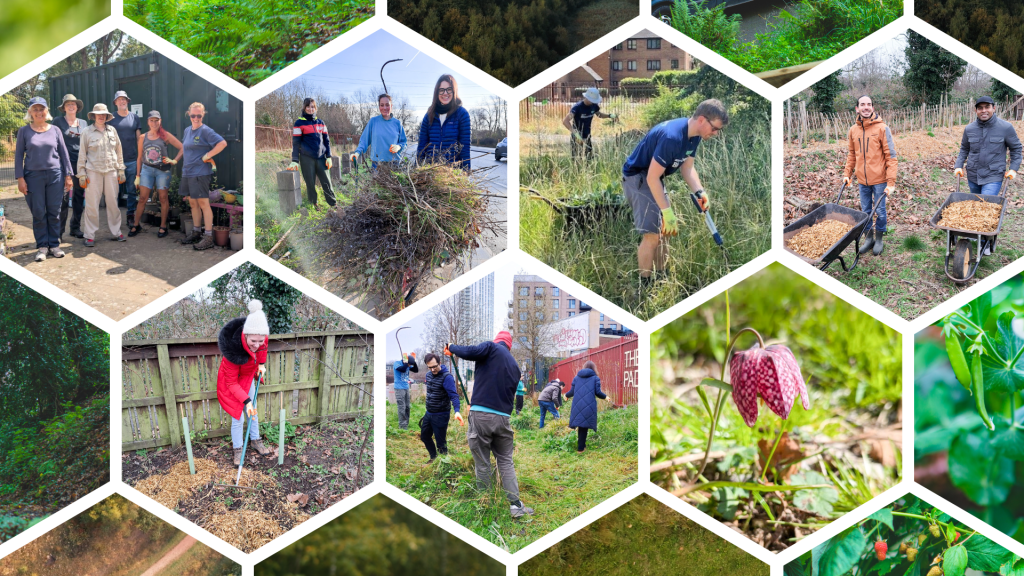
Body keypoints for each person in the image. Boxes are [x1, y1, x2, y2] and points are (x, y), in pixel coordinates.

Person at [622, 99, 727, 285]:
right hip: (638, 177)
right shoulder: (672, 137)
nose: (716, 134)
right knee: (652, 235)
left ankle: (661, 277)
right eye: (715, 128)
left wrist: (700, 192)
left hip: (654, 176)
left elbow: (687, 169)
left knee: (666, 231)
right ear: (702, 120)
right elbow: (651, 178)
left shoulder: (694, 136)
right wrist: (667, 211)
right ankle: (644, 284)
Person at [445, 331, 534, 518]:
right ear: (509, 346)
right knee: (505, 461)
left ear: (497, 341)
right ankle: (516, 505)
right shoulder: (515, 366)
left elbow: (470, 352)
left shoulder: (490, 347)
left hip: (482, 416)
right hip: (503, 418)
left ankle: (485, 504)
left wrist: (452, 347)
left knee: (483, 462)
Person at [954, 96, 1022, 254]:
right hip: (973, 174)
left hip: (993, 174)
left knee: (986, 206)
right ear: (976, 110)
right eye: (980, 108)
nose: (984, 110)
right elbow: (964, 149)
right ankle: (977, 235)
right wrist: (958, 166)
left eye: (987, 107)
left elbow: (1016, 149)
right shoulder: (970, 129)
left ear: (994, 108)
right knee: (976, 206)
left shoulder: (1005, 127)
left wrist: (1013, 168)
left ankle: (984, 241)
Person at [216, 300, 278, 465]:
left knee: (253, 411)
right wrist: (246, 401)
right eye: (253, 342)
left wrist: (261, 365)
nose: (257, 345)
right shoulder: (232, 351)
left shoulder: (260, 339)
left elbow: (263, 349)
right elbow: (231, 383)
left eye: (260, 340)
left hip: (247, 376)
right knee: (238, 416)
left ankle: (255, 440)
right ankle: (238, 448)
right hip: (231, 382)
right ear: (245, 335)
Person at [14, 97, 74, 262]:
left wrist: (68, 176)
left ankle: (54, 245)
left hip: (55, 175)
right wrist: (20, 178)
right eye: (35, 109)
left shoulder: (55, 130)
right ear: (30, 113)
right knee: (39, 212)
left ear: (47, 111)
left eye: (42, 109)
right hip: (33, 177)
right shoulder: (24, 131)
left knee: (54, 212)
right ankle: (42, 246)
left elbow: (63, 154)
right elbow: (19, 156)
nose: (39, 112)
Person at [842, 95, 897, 256]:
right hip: (862, 181)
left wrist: (891, 182)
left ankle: (879, 238)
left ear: (872, 108)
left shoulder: (882, 128)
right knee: (865, 211)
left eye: (869, 104)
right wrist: (847, 174)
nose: (866, 107)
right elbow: (852, 155)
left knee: (880, 210)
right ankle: (869, 238)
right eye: (862, 104)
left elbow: (891, 157)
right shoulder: (853, 130)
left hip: (880, 180)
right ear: (857, 109)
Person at [179, 102, 228, 251]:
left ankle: (208, 237)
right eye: (193, 115)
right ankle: (196, 231)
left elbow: (222, 143)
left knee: (203, 203)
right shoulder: (187, 130)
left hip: (200, 173)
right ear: (189, 114)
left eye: (199, 115)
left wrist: (207, 155)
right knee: (193, 203)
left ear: (203, 115)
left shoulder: (206, 131)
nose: (196, 118)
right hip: (187, 172)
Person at [77, 103, 126, 247]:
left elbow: (119, 151)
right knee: (92, 205)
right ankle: (90, 235)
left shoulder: (112, 131)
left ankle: (116, 232)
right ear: (93, 116)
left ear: (107, 116)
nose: (101, 117)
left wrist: (121, 169)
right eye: (99, 114)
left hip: (111, 171)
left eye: (104, 114)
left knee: (113, 204)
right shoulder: (87, 131)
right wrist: (81, 174)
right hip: (93, 172)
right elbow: (82, 153)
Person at [129, 111, 184, 238]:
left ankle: (163, 226)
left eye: (156, 120)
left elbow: (182, 147)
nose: (154, 123)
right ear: (148, 122)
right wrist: (138, 176)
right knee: (142, 198)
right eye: (151, 120)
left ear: (160, 121)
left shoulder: (165, 136)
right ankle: (136, 225)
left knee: (163, 198)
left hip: (162, 171)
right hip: (147, 170)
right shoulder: (143, 137)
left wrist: (174, 160)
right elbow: (139, 158)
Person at [285, 97, 336, 207]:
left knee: (327, 182)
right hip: (306, 158)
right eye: (308, 106)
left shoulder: (321, 123)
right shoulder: (299, 123)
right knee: (310, 183)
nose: (310, 109)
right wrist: (294, 160)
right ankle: (314, 203)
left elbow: (327, 141)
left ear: (315, 108)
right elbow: (296, 143)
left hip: (321, 157)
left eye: (312, 106)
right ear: (304, 108)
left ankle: (333, 203)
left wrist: (329, 156)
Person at [417, 74, 471, 170]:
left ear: (454, 91)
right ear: (437, 93)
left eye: (449, 89)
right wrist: (416, 170)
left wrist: (466, 172)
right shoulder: (429, 115)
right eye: (441, 90)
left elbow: (464, 148)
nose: (445, 93)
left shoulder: (462, 114)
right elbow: (422, 146)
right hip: (431, 171)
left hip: (452, 173)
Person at [52, 94, 86, 240]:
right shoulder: (58, 122)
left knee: (79, 196)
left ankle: (75, 227)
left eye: (74, 104)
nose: (71, 106)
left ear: (77, 107)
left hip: (81, 164)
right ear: (64, 108)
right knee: (64, 198)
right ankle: (59, 232)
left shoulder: (83, 123)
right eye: (68, 104)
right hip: (64, 164)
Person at [420, 353, 464, 461]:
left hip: (441, 415)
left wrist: (457, 410)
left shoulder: (447, 377)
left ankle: (444, 464)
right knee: (425, 436)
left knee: (441, 443)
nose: (433, 370)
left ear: (440, 363)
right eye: (430, 367)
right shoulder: (428, 375)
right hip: (429, 413)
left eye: (435, 366)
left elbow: (454, 396)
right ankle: (433, 458)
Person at [109, 91, 141, 223]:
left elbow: (139, 138)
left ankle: (130, 215)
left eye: (124, 99)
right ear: (115, 102)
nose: (122, 102)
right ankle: (114, 218)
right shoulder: (110, 119)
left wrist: (140, 157)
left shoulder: (134, 117)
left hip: (132, 159)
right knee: (113, 191)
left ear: (127, 101)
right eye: (119, 100)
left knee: (131, 190)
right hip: (115, 161)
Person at [352, 94, 407, 169]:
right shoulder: (373, 122)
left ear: (391, 106)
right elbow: (364, 141)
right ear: (379, 107)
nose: (384, 108)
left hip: (394, 164)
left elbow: (404, 142)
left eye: (387, 105)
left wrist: (399, 147)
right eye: (382, 105)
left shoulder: (397, 123)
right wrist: (357, 153)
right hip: (377, 165)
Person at [562, 87, 615, 160]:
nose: (594, 102)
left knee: (589, 158)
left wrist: (610, 115)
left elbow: (599, 114)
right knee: (577, 158)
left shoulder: (593, 106)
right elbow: (565, 121)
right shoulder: (577, 107)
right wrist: (577, 135)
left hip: (587, 135)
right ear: (587, 98)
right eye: (593, 101)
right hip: (577, 136)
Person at [566, 361, 607, 453]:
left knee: (581, 425)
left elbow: (572, 391)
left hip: (577, 405)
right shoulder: (595, 378)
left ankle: (582, 445)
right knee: (584, 426)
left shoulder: (576, 378)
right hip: (589, 405)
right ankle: (580, 448)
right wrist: (606, 397)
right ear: (594, 368)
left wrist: (566, 395)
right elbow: (598, 392)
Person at [392, 352, 418, 430]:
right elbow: (403, 370)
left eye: (410, 364)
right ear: (405, 361)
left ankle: (406, 423)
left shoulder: (408, 364)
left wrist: (414, 360)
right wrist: (406, 362)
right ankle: (402, 426)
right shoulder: (397, 364)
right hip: (399, 388)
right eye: (409, 364)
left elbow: (416, 370)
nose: (410, 366)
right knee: (401, 407)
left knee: (407, 407)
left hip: (406, 387)